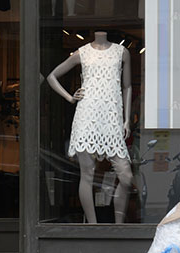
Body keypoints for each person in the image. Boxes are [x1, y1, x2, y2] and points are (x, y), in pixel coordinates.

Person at [47, 31, 133, 223]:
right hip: (87, 118)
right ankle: (92, 226)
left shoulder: (121, 52)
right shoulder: (82, 52)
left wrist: (127, 120)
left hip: (112, 119)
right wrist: (70, 97)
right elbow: (52, 76)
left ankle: (119, 226)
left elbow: (127, 87)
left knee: (126, 176)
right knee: (87, 174)